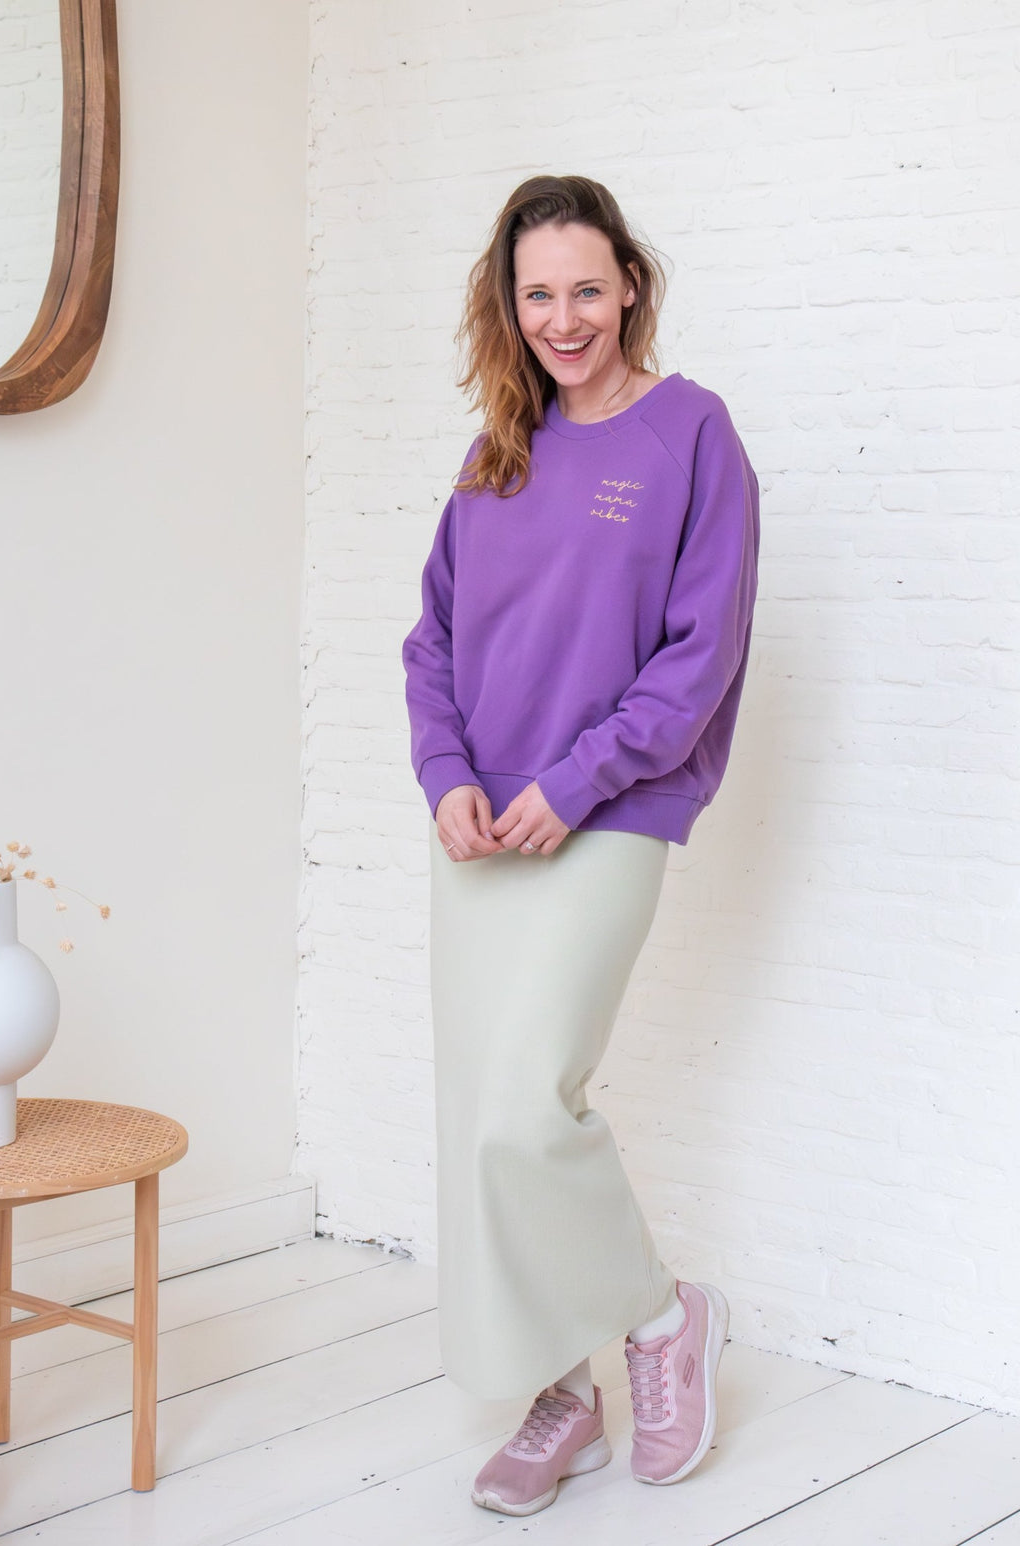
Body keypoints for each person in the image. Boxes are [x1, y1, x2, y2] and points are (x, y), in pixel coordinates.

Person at [401, 174, 759, 1519]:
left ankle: (663, 1318)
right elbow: (433, 641)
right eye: (537, 293)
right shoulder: (498, 447)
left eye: (587, 290)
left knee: (525, 1106)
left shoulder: (690, 434)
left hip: (612, 810)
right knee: (477, 1124)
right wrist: (446, 775)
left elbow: (700, 656)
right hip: (479, 831)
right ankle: (561, 1392)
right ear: (509, 303)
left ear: (631, 288)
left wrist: (577, 778)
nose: (564, 319)